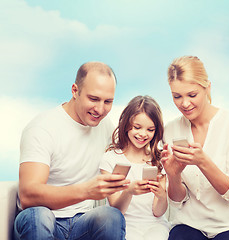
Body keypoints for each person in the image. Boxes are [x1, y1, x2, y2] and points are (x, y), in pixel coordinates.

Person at [14, 62, 130, 240]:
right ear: (75, 91)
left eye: (108, 101)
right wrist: (86, 191)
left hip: (82, 222)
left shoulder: (105, 126)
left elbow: (132, 152)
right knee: (37, 216)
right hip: (44, 220)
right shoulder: (42, 128)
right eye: (93, 99)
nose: (100, 109)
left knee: (111, 217)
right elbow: (28, 195)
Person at [162, 56, 229, 240]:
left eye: (192, 95)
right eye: (177, 96)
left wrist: (202, 161)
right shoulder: (171, 130)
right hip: (190, 224)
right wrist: (173, 175)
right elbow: (177, 200)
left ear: (207, 88)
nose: (185, 104)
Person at [100, 95, 170, 240]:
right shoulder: (111, 159)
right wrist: (129, 192)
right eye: (137, 127)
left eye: (150, 130)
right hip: (123, 226)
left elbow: (158, 212)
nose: (143, 134)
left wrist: (162, 196)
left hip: (154, 226)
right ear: (126, 125)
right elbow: (116, 211)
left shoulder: (158, 160)